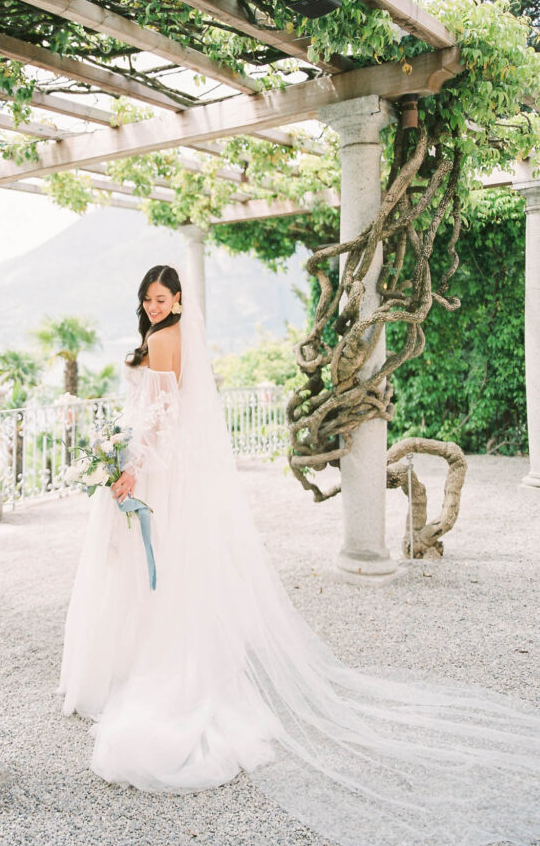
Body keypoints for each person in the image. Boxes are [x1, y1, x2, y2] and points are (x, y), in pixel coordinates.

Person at [59, 264, 540, 846]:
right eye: (148, 298)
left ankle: (146, 664)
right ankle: (165, 653)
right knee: (171, 565)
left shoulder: (163, 339)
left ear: (179, 299)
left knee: (148, 563)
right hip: (170, 469)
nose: (154, 305)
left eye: (161, 297)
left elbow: (160, 421)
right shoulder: (181, 336)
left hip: (155, 469)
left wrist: (128, 468)